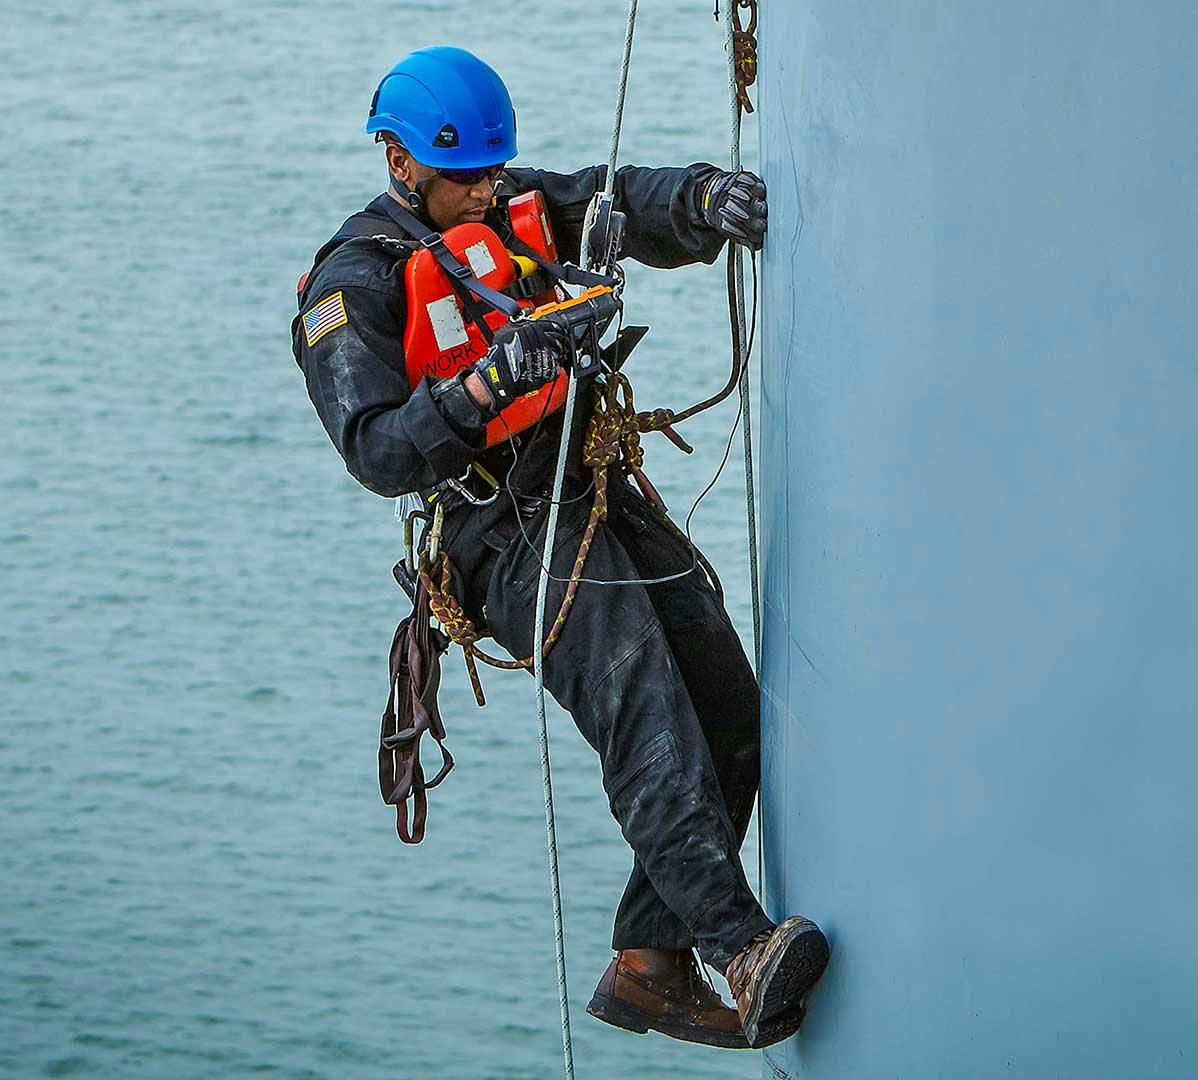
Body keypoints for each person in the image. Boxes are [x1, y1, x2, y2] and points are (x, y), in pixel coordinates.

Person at [289, 45, 827, 1050]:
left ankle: (649, 963)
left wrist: (707, 199)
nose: (486, 193)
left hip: (591, 489)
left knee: (729, 711)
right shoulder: (351, 285)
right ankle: (738, 944)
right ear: (400, 164)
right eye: (465, 179)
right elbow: (374, 449)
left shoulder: (506, 207)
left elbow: (613, 197)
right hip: (501, 535)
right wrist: (480, 388)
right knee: (647, 711)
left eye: (495, 173)